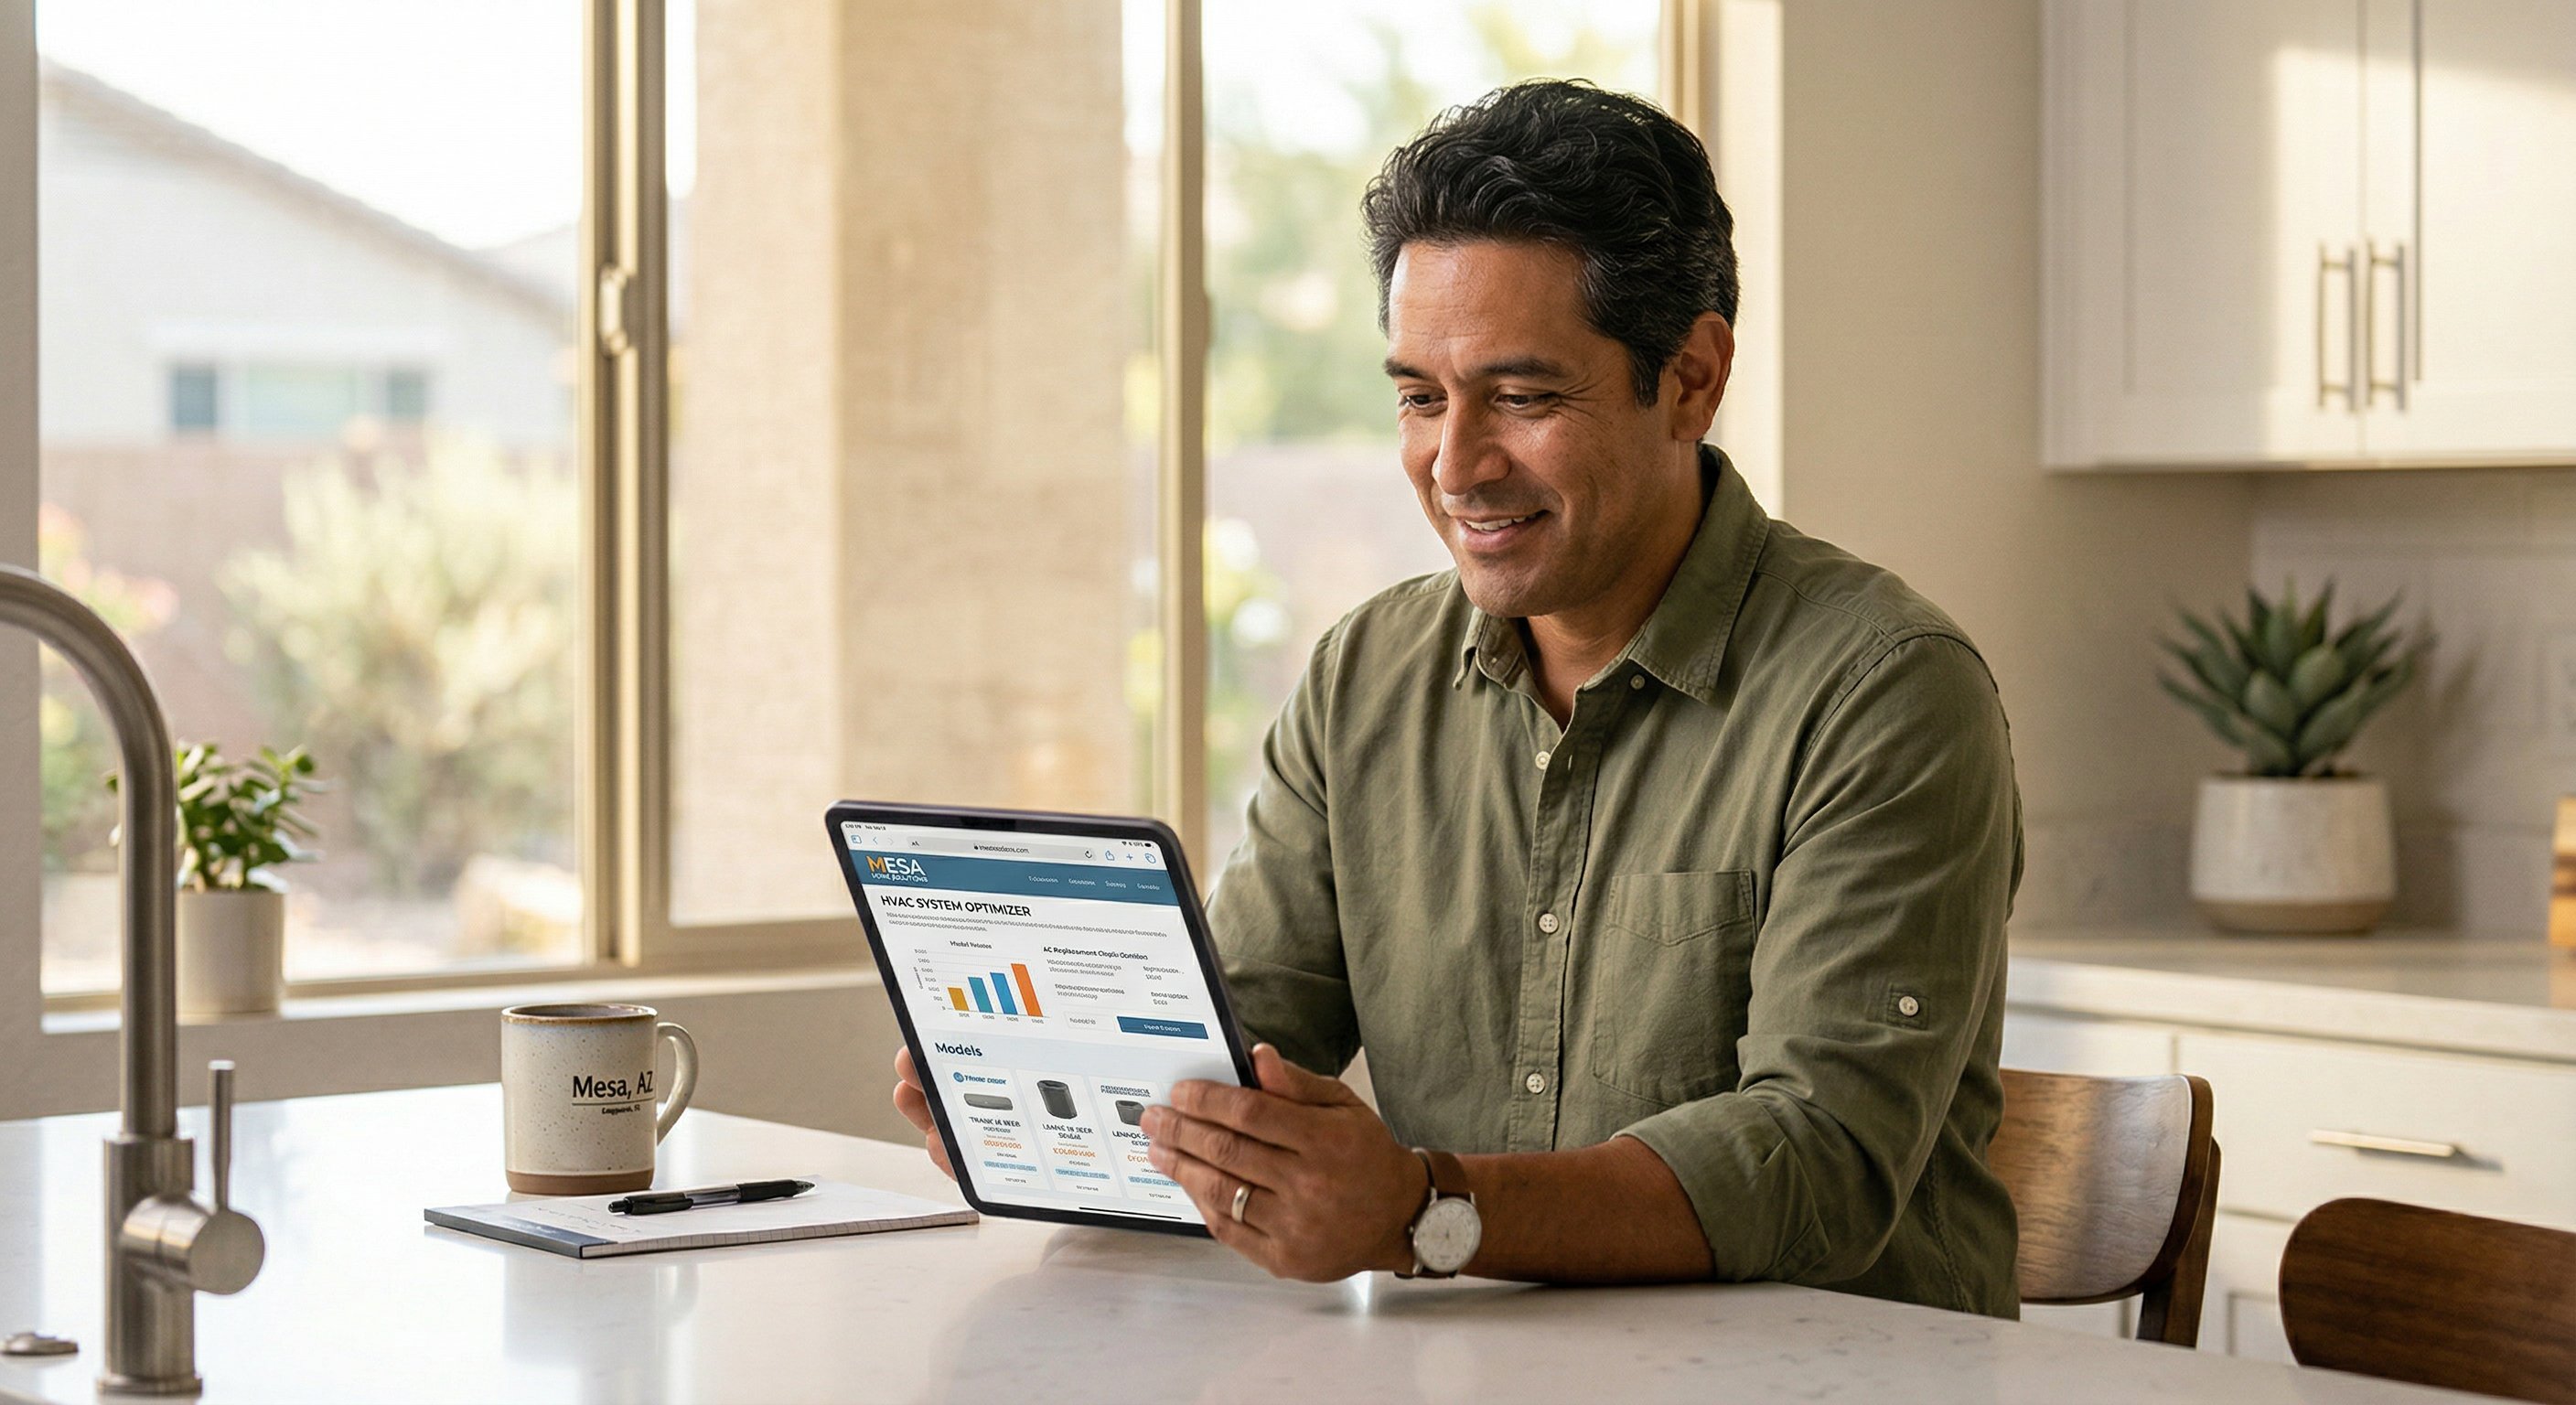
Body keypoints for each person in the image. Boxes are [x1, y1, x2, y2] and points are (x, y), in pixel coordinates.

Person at [894, 79, 2022, 1314]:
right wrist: (1102, 1123)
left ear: (1690, 378)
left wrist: (1423, 1210)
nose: (1455, 464)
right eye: (1421, 398)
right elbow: (1249, 1043)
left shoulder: (1885, 692)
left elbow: (1822, 1159)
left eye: (1524, 398)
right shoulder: (1363, 680)